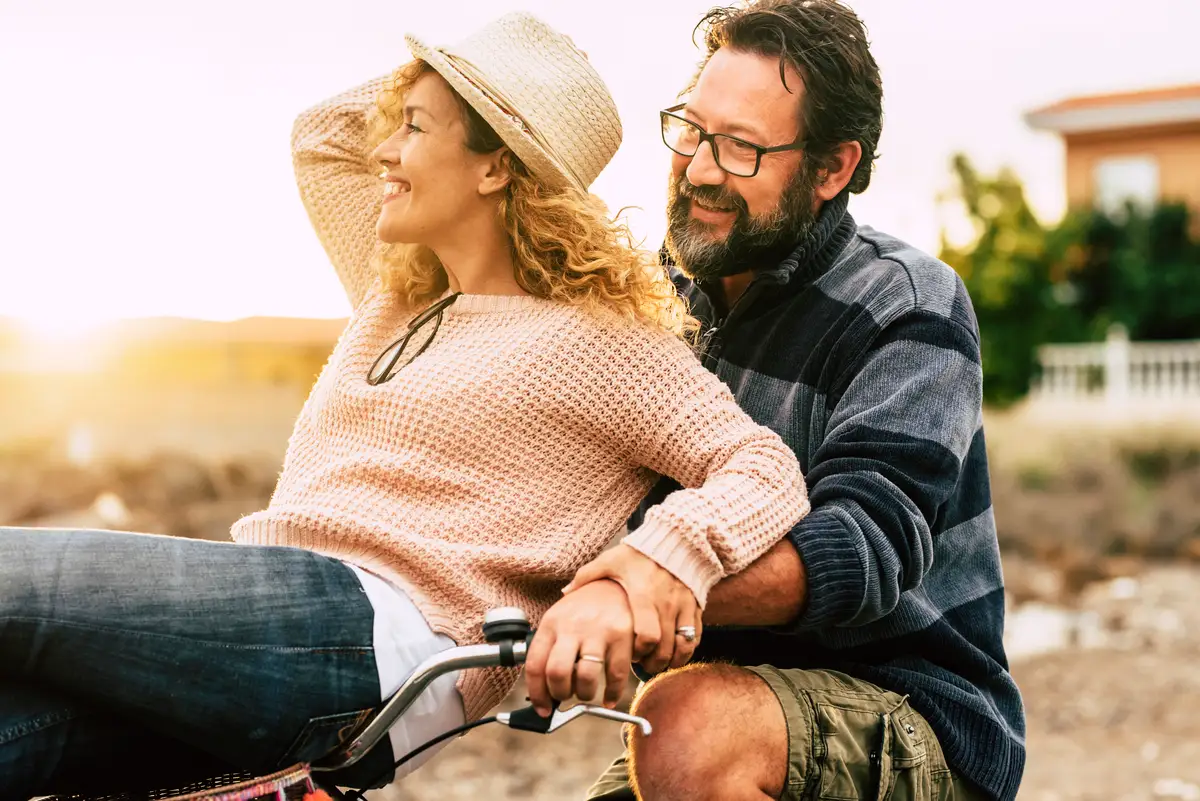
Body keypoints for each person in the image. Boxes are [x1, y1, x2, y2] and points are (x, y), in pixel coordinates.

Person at [0, 13, 811, 799]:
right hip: (277, 627)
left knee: (14, 578)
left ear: (496, 167)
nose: (384, 148)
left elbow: (762, 467)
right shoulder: (399, 296)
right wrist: (459, 78)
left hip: (372, 636)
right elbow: (325, 133)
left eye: (415, 128)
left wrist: (655, 558)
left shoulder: (597, 341)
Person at [531, 1, 1025, 800]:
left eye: (740, 147)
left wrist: (651, 580)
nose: (697, 168)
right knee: (683, 727)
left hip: (914, 714)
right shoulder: (645, 304)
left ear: (831, 169)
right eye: (691, 130)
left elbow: (867, 545)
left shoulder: (910, 304)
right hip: (720, 703)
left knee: (689, 728)